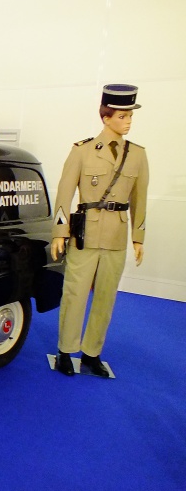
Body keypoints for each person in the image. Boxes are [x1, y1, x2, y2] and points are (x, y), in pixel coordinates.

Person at [51, 84, 149, 377]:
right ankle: (66, 351)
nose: (128, 121)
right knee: (75, 294)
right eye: (122, 116)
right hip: (86, 234)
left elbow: (139, 199)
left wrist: (138, 237)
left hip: (117, 237)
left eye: (130, 115)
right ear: (106, 117)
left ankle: (92, 353)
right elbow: (63, 194)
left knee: (106, 297)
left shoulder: (138, 155)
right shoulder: (82, 151)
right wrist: (59, 232)